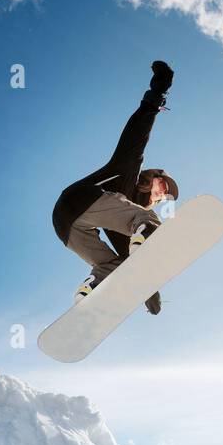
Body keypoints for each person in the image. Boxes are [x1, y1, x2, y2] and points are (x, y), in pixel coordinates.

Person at [51, 61, 179, 314]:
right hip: (80, 199)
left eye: (165, 196)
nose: (162, 193)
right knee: (146, 219)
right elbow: (137, 132)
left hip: (66, 228)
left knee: (117, 265)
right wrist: (157, 94)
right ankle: (147, 229)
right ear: (153, 175)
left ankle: (92, 289)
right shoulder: (128, 167)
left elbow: (134, 260)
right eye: (163, 185)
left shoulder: (126, 223)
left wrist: (147, 289)